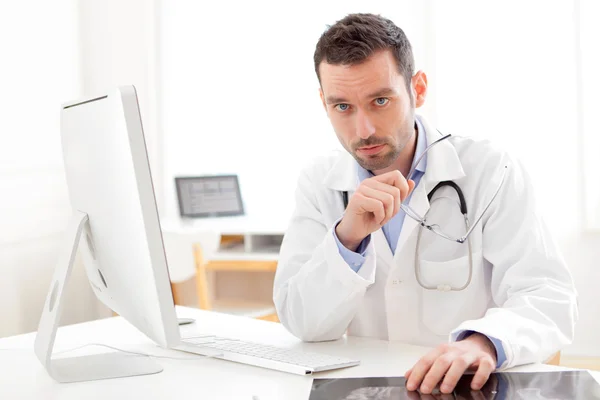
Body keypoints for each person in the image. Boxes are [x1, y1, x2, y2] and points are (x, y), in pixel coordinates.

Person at [272, 13, 578, 395]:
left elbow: (547, 295)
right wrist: (346, 238)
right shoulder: (319, 183)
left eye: (380, 100)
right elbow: (305, 323)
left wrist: (482, 342)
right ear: (324, 103)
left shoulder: (489, 170)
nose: (362, 130)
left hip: (467, 390)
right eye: (343, 107)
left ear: (418, 89)